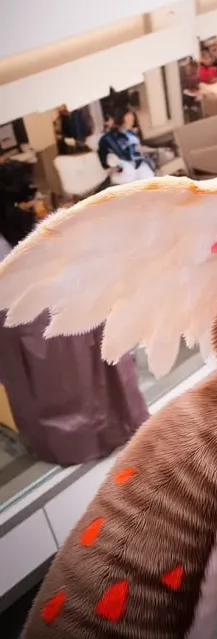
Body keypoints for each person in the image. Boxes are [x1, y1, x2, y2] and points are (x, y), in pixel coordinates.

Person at [0, 159, 148, 466]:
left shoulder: (24, 233)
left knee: (66, 391)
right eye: (32, 198)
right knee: (84, 384)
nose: (37, 203)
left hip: (44, 328)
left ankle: (83, 441)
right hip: (48, 325)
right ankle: (106, 433)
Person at [97, 107, 156, 183]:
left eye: (132, 120)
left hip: (139, 167)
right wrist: (109, 168)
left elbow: (138, 148)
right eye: (128, 120)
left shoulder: (131, 134)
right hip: (124, 172)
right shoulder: (107, 138)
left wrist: (153, 150)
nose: (131, 123)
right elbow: (103, 156)